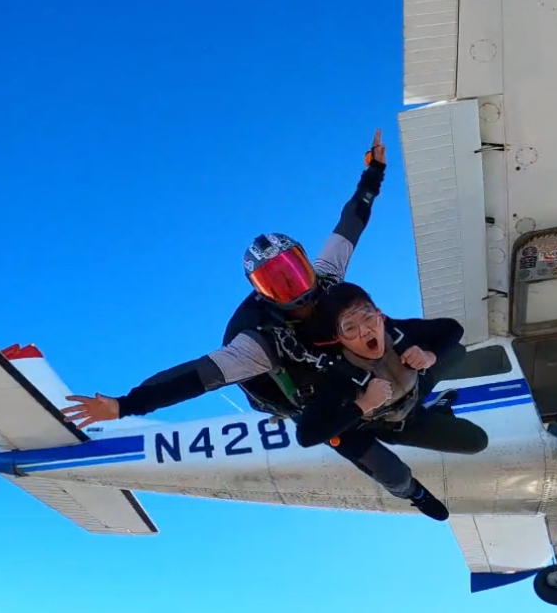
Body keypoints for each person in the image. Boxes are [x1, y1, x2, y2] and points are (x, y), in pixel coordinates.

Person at [61, 131, 388, 428]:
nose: (294, 288)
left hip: (327, 352)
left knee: (364, 319)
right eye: (278, 283)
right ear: (264, 294)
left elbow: (350, 224)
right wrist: (124, 405)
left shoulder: (326, 275)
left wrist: (373, 173)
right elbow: (190, 378)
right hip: (288, 390)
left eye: (294, 271)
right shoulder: (256, 343)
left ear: (307, 263)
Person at [291, 281, 491, 520]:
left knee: (458, 357)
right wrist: (363, 404)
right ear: (339, 339)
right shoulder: (338, 377)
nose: (365, 331)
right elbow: (306, 435)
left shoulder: (397, 333)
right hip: (380, 425)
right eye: (350, 328)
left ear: (380, 315)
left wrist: (428, 356)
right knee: (395, 474)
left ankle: (434, 409)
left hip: (412, 398)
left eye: (368, 318)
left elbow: (452, 328)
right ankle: (415, 494)